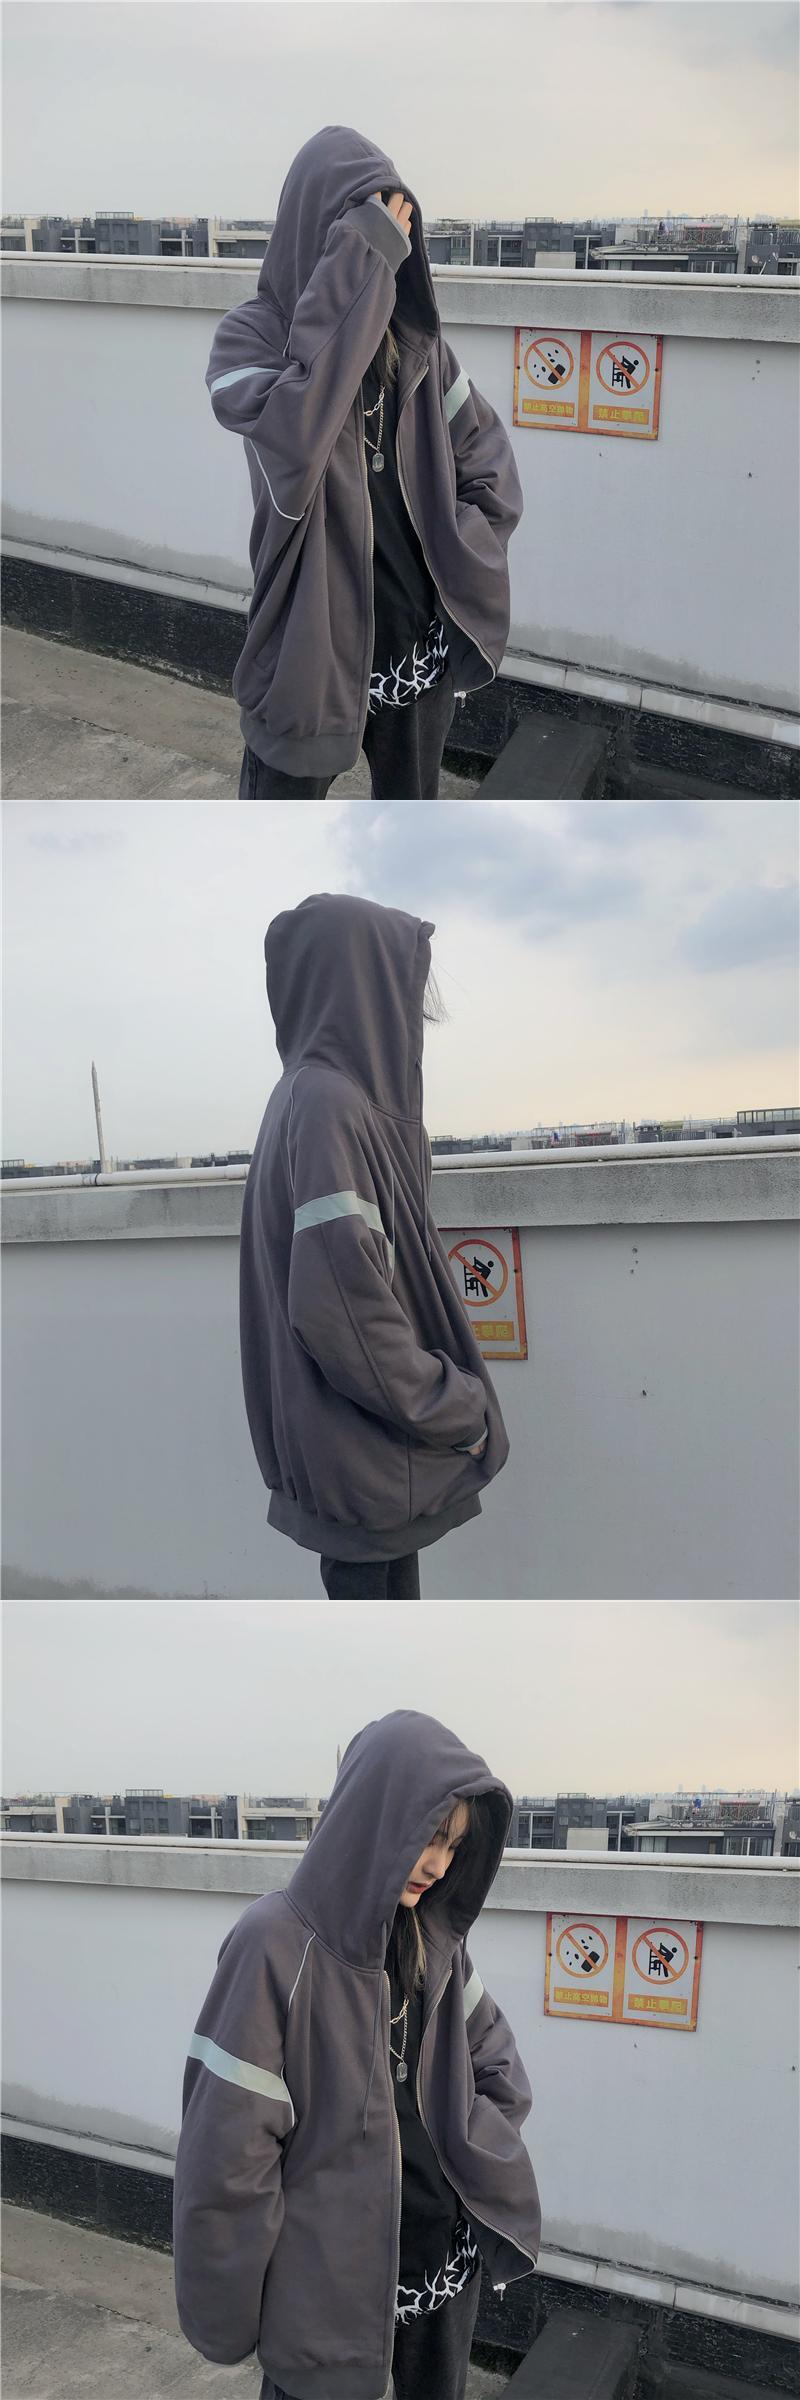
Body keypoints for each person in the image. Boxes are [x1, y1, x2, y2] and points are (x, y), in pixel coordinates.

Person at [173, 1708, 542, 2400]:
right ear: (373, 1817)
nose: (437, 1864)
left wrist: (471, 2155)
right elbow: (228, 2151)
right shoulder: (273, 1944)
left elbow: (498, 2066)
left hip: (443, 2274)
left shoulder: (434, 1938)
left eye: (454, 1844)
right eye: (428, 1835)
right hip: (327, 2295)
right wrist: (227, 2308)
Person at [205, 124, 524, 798]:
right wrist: (360, 261)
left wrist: (461, 547)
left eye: (393, 231)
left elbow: (490, 463)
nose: (385, 248)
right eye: (363, 230)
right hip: (308, 655)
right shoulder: (249, 339)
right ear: (317, 230)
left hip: (416, 653)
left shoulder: (420, 349)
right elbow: (295, 440)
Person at [238, 891, 510, 1599]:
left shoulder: (303, 1095)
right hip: (370, 1456)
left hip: (361, 1461)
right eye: (404, 984)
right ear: (366, 987)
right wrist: (456, 1412)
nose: (415, 1009)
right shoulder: (330, 1106)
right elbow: (344, 1310)